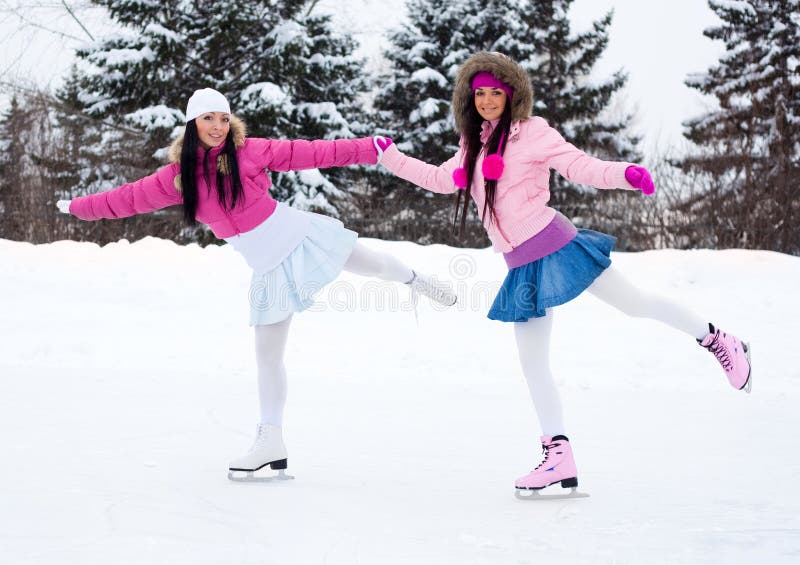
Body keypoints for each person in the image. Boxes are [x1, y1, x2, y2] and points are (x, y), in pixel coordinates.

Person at [373, 52, 751, 496]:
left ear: (512, 95)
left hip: (556, 244)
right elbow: (442, 179)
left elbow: (579, 165)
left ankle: (718, 339)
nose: (489, 100)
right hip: (520, 265)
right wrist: (392, 158)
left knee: (635, 304)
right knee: (533, 364)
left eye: (497, 92)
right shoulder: (472, 143)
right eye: (480, 94)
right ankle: (559, 456)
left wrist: (625, 175)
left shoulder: (532, 132)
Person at [57, 88, 457, 481]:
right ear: (192, 124)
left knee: (369, 263)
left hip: (300, 236)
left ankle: (416, 280)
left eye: (223, 118)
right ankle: (271, 441)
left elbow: (316, 151)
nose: (217, 126)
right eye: (208, 118)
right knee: (267, 357)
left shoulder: (250, 151)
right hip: (268, 268)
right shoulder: (177, 178)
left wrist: (369, 147)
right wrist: (76, 207)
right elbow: (125, 198)